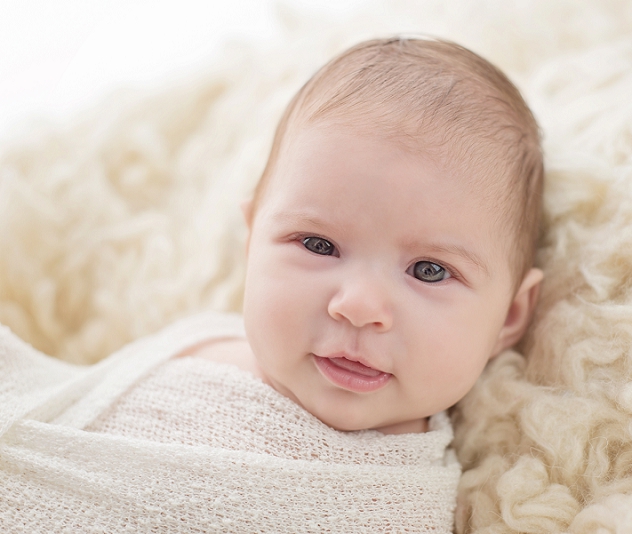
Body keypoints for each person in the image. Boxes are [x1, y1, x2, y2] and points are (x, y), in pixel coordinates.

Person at [0, 36, 544, 533]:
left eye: (429, 271)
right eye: (317, 245)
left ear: (510, 317)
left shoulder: (392, 507)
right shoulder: (208, 336)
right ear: (251, 240)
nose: (357, 306)